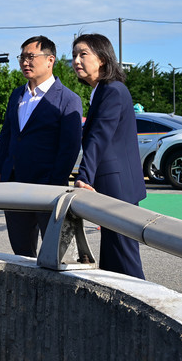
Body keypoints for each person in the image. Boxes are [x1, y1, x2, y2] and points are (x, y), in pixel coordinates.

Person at [0, 36, 83, 257]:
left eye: (31, 57)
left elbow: (69, 148)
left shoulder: (68, 99)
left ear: (50, 60)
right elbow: (7, 135)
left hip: (48, 187)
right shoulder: (17, 94)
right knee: (21, 250)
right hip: (13, 184)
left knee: (55, 252)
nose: (25, 62)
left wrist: (55, 182)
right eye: (22, 57)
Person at [72, 33, 146, 279]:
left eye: (83, 54)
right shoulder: (101, 91)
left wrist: (84, 176)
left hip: (118, 186)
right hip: (113, 184)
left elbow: (100, 136)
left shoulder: (113, 90)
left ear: (102, 58)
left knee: (125, 260)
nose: (76, 61)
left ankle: (144, 301)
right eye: (74, 55)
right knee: (113, 259)